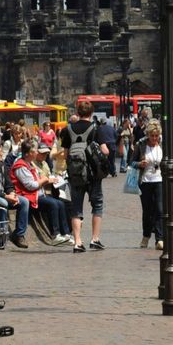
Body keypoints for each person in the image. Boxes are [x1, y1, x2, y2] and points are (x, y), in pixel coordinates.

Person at [60, 99, 111, 252]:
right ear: (91, 113)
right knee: (97, 205)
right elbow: (105, 151)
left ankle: (77, 242)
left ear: (77, 112)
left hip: (75, 174)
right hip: (93, 174)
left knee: (76, 208)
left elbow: (66, 154)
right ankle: (95, 239)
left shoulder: (68, 129)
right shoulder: (96, 129)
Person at [130, 122, 165, 250]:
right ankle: (146, 236)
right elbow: (131, 163)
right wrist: (140, 164)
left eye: (157, 135)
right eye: (152, 135)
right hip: (144, 181)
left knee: (160, 209)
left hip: (159, 180)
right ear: (148, 134)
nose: (155, 138)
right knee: (148, 211)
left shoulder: (162, 144)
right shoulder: (141, 144)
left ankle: (159, 239)